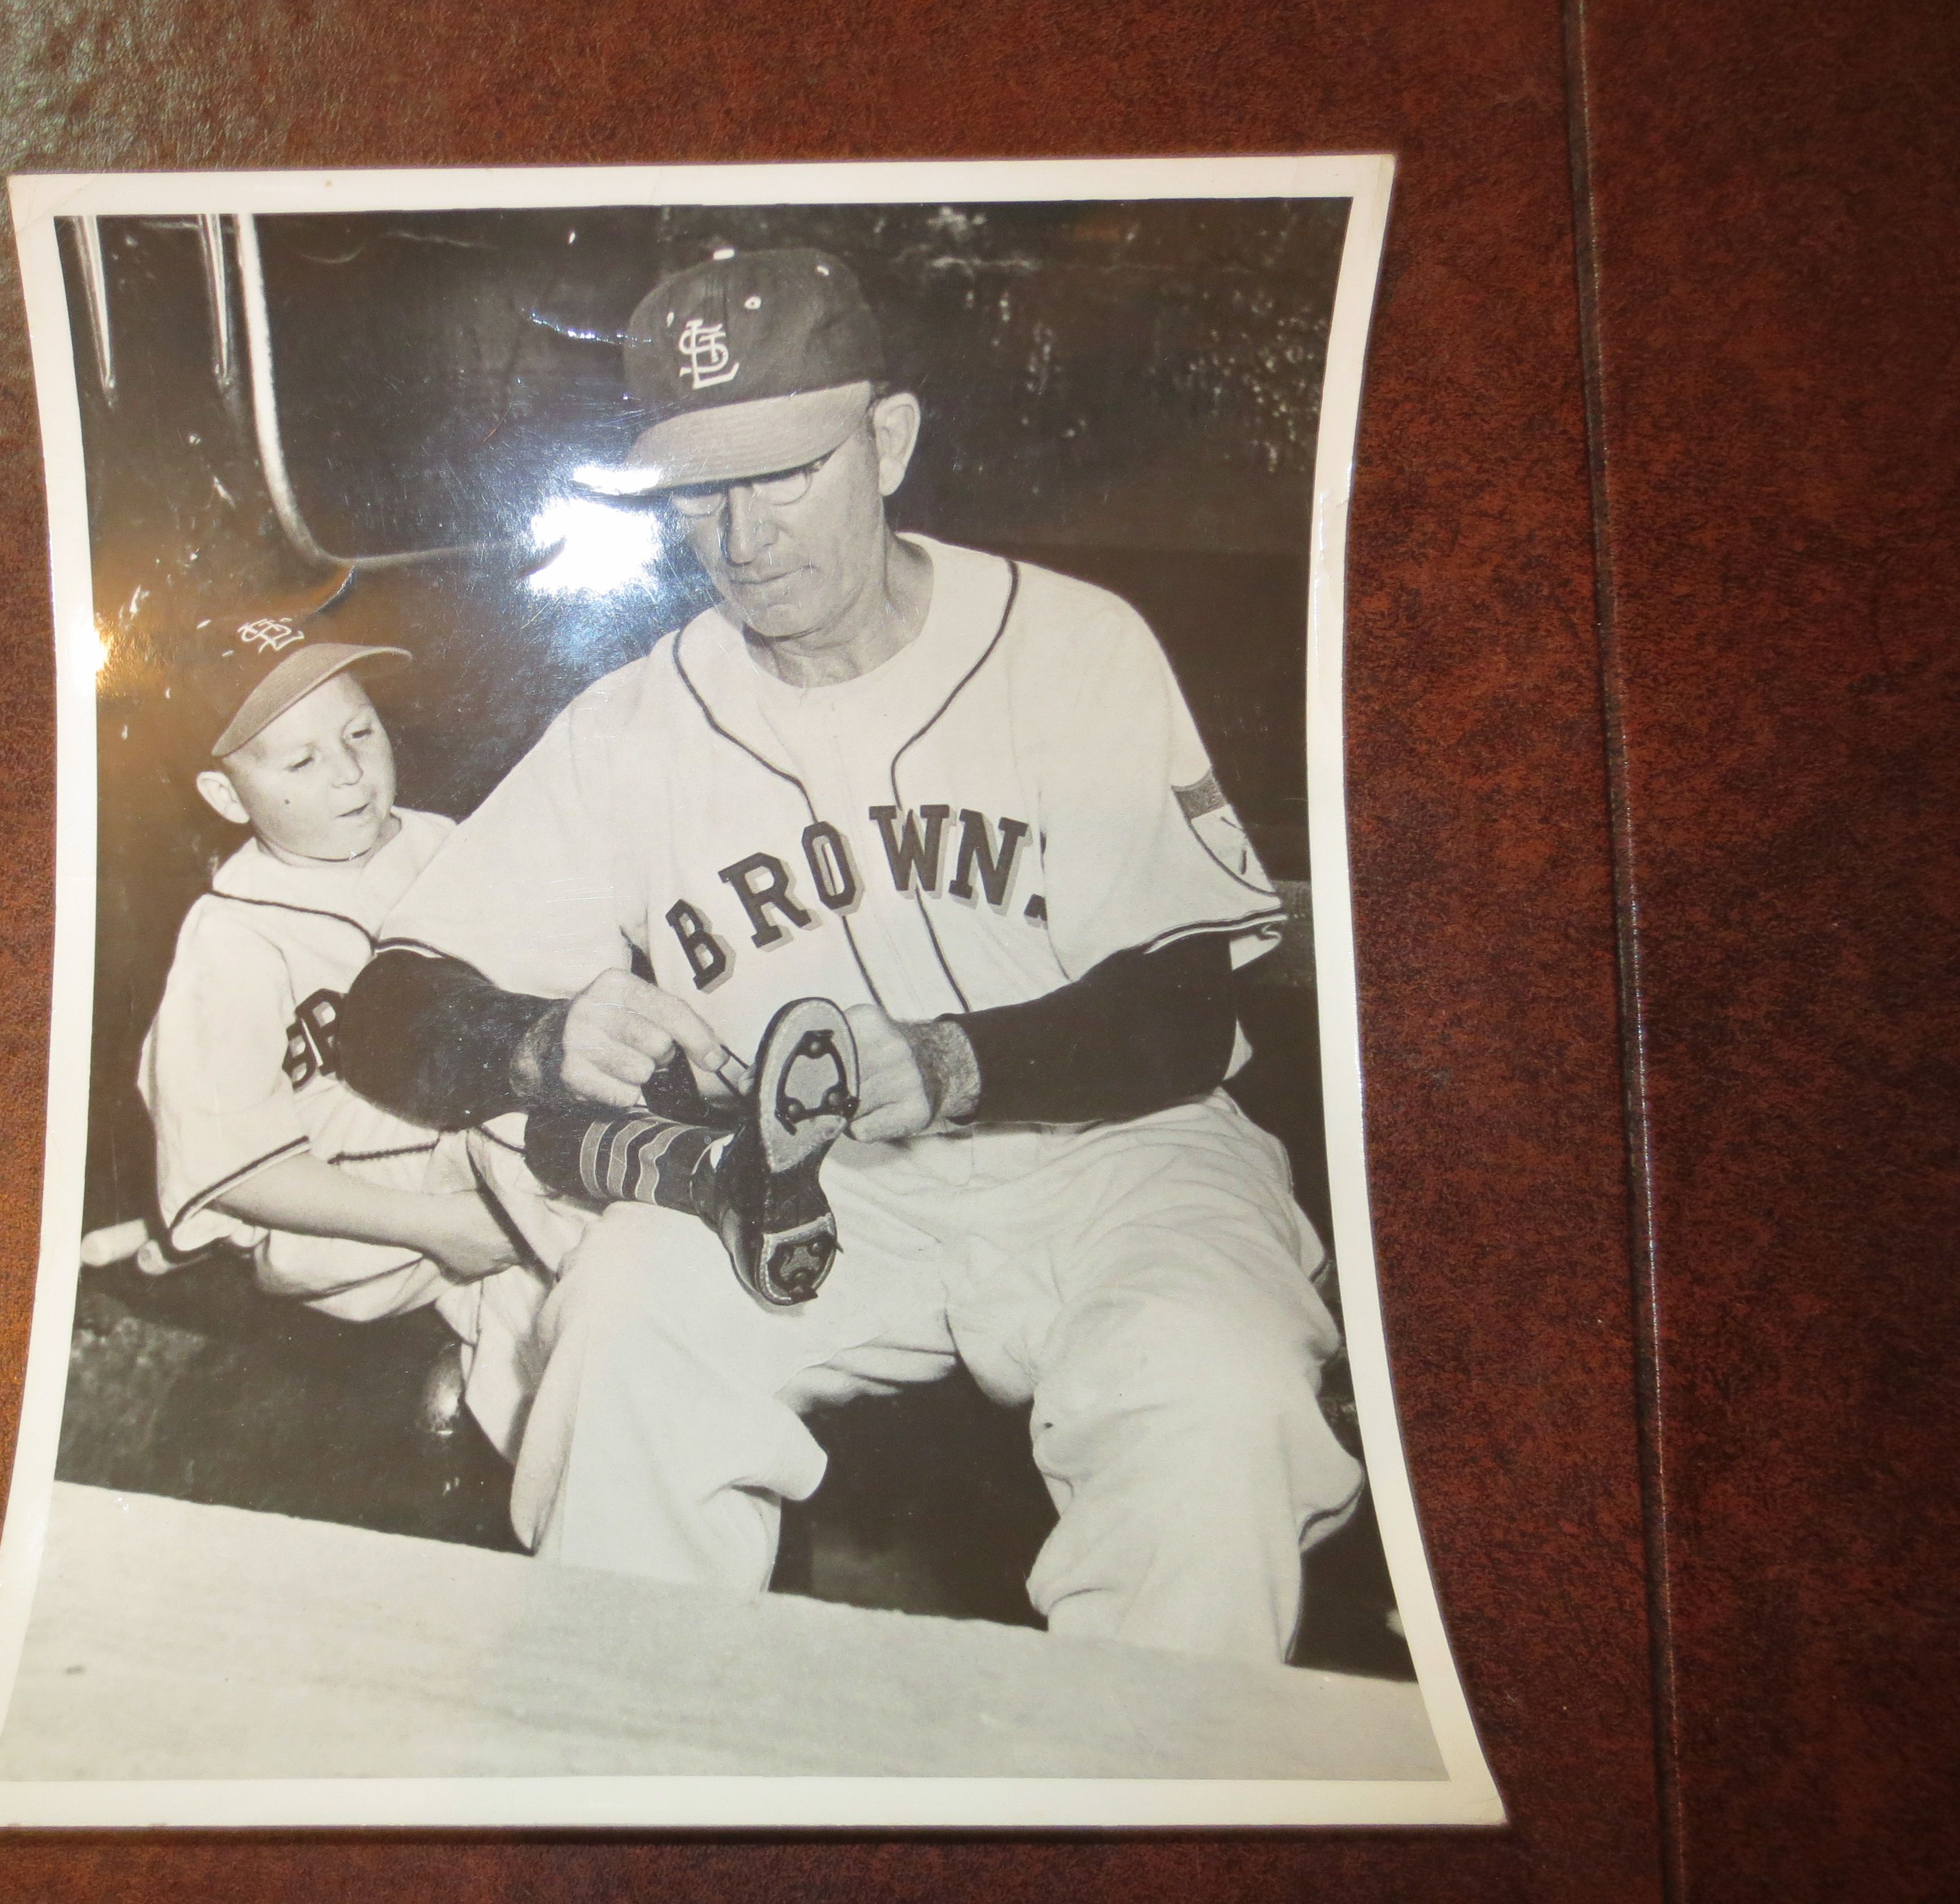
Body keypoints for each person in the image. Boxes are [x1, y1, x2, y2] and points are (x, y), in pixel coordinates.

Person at [337, 245, 1363, 1663]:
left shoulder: (1074, 647)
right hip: (811, 1193)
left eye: (783, 474)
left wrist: (952, 1061)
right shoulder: (633, 724)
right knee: (629, 1317)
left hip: (1117, 1157)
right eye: (701, 489)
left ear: (885, 439)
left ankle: (1146, 1839)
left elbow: (1186, 1010)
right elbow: (382, 1014)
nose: (742, 536)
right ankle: (619, 1777)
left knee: (1216, 1388)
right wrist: (531, 1038)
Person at [79, 622, 582, 1457]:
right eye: (302, 762)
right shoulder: (232, 941)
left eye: (360, 732)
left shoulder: (445, 844)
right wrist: (434, 1229)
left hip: (463, 1181)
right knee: (545, 1213)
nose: (350, 772)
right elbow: (247, 1168)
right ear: (229, 799)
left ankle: (487, 1369)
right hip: (346, 1230)